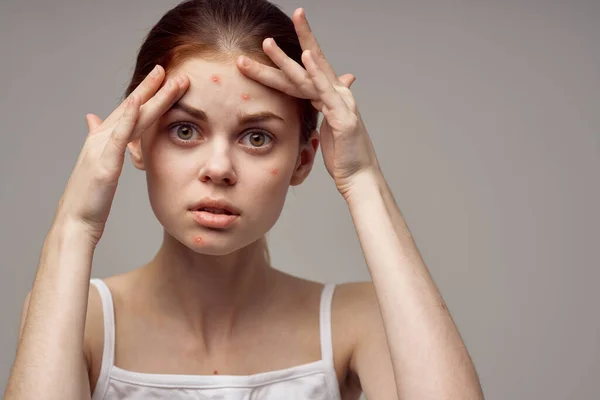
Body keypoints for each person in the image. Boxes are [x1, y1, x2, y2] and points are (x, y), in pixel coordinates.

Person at [4, 0, 484, 399]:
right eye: (185, 130)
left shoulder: (358, 321)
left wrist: (361, 178)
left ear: (303, 159)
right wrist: (75, 223)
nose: (218, 169)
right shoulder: (78, 315)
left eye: (256, 137)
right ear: (134, 139)